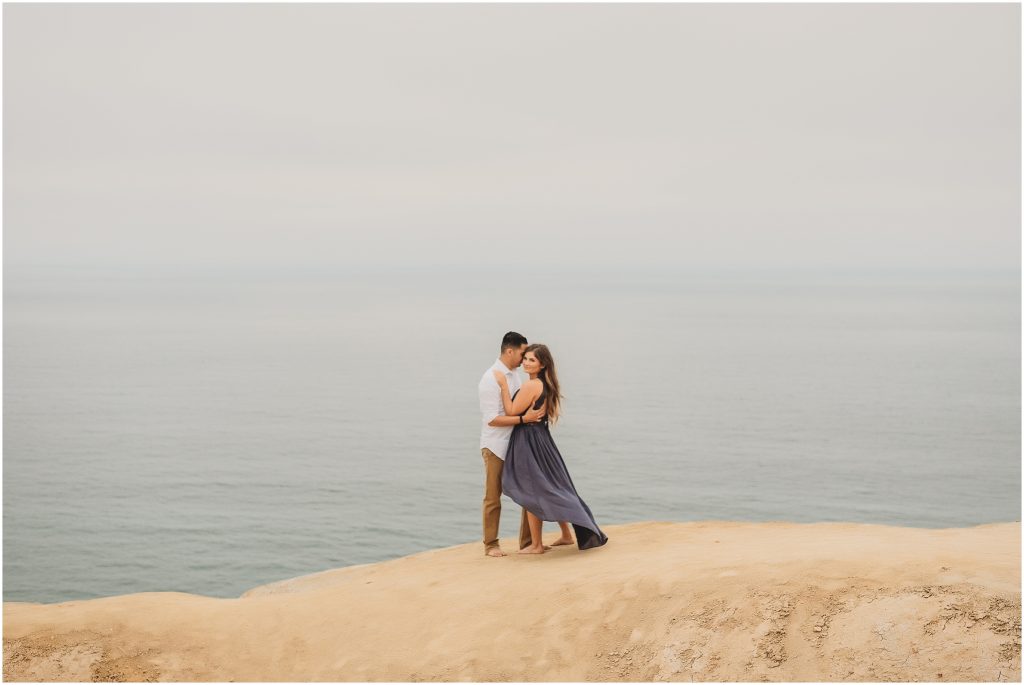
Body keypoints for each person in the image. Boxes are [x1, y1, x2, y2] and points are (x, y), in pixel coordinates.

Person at [494, 343, 609, 554]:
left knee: (530, 490)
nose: (526, 363)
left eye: (532, 360)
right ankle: (566, 534)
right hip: (542, 438)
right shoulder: (546, 383)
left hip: (528, 440)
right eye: (525, 358)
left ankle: (536, 545)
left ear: (542, 364)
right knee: (553, 486)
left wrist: (502, 386)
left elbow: (511, 410)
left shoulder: (531, 386)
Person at [478, 332, 545, 558]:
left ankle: (528, 542)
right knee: (493, 496)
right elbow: (492, 419)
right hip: (496, 444)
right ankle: (490, 545)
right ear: (510, 351)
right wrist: (524, 420)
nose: (524, 358)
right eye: (522, 353)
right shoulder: (490, 378)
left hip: (518, 444)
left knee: (528, 493)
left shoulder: (517, 376)